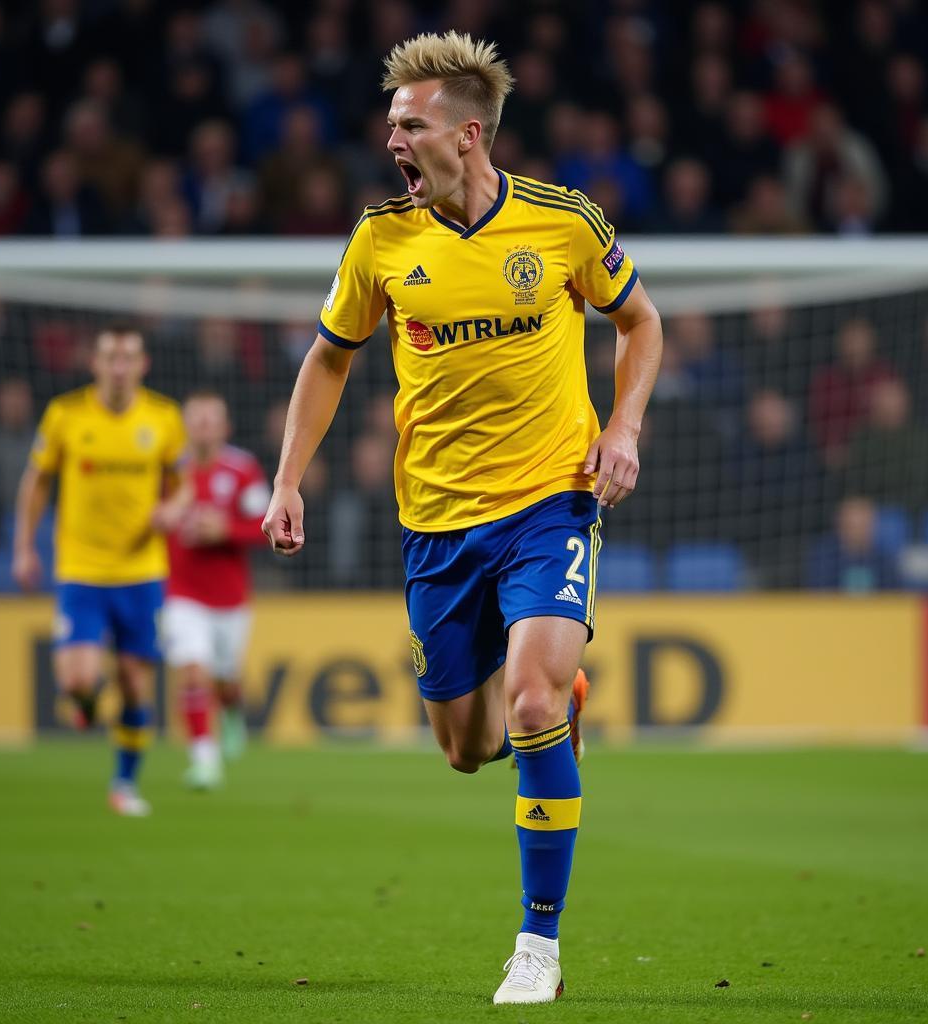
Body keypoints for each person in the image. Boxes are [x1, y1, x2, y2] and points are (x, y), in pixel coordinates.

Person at [261, 32, 662, 1005]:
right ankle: (546, 708)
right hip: (437, 524)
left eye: (409, 123)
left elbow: (640, 321)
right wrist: (286, 479)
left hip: (548, 503)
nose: (391, 138)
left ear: (467, 135)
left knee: (530, 702)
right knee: (465, 747)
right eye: (390, 123)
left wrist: (623, 428)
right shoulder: (380, 239)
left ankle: (537, 944)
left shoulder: (562, 223)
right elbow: (328, 356)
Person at [12, 326, 186, 817]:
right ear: (95, 363)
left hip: (142, 571)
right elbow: (38, 481)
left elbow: (184, 483)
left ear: (142, 364)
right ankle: (89, 704)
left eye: (127, 357)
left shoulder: (163, 418)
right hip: (82, 571)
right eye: (110, 357)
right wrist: (25, 547)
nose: (118, 367)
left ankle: (124, 784)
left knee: (135, 682)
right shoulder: (66, 415)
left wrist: (173, 510)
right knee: (76, 681)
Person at [159, 392, 271, 789]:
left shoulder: (242, 469)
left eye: (212, 419)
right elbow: (150, 517)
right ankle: (204, 760)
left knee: (224, 680)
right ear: (185, 426)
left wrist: (226, 530)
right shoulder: (168, 471)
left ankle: (232, 711)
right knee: (193, 672)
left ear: (226, 427)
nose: (204, 426)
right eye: (197, 419)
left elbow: (264, 526)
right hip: (182, 593)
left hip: (230, 598)